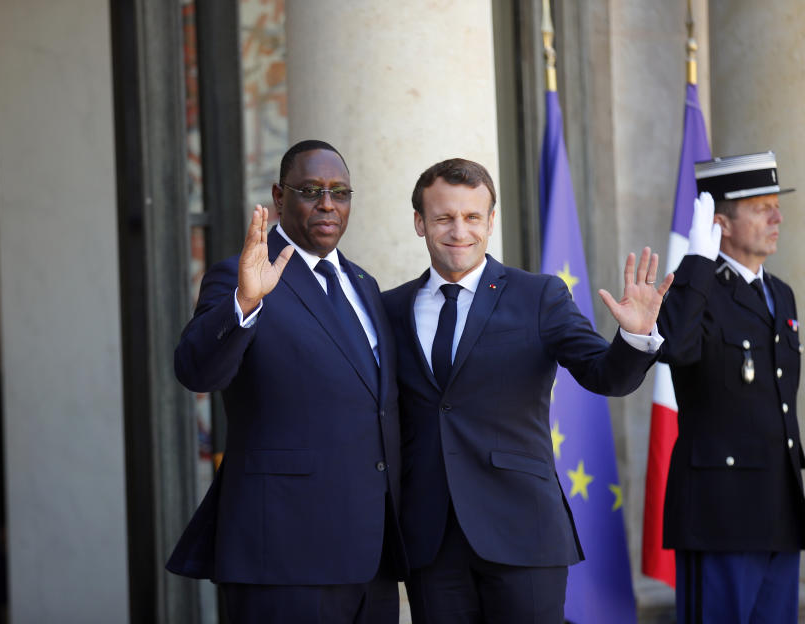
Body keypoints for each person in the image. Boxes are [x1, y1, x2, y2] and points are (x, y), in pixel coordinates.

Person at [382, 158, 671, 623]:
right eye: (444, 217)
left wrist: (635, 339)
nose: (460, 230)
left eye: (473, 217)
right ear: (420, 223)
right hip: (430, 540)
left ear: (491, 221)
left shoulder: (539, 296)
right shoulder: (388, 308)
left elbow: (605, 376)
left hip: (523, 529)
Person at [167, 140, 407, 623]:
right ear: (279, 197)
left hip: (370, 556)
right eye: (311, 190)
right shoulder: (243, 275)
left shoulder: (363, 284)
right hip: (284, 551)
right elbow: (197, 370)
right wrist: (245, 303)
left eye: (340, 192)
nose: (327, 204)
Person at [658, 151, 805, 623]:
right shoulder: (691, 288)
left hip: (779, 509)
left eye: (775, 205)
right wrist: (696, 263)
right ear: (720, 223)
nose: (777, 216)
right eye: (762, 207)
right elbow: (676, 349)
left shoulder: (780, 292)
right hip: (720, 514)